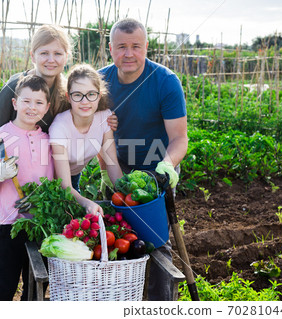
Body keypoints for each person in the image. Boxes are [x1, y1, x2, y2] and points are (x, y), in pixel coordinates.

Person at [0, 25, 117, 299]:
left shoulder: (66, 92)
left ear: (67, 56)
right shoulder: (17, 88)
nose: (50, 59)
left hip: (40, 183)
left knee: (38, 251)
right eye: (44, 53)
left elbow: (84, 111)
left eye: (57, 53)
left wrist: (106, 119)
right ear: (33, 54)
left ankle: (32, 297)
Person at [99, 18, 188, 301]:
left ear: (146, 47)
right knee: (116, 236)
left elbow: (179, 138)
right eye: (121, 47)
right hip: (117, 164)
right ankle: (120, 298)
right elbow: (86, 128)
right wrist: (106, 170)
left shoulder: (165, 82)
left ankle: (160, 303)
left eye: (136, 46)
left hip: (156, 166)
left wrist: (166, 168)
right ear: (110, 49)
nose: (128, 54)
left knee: (156, 240)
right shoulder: (99, 83)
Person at [0, 75, 54, 301]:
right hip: (10, 224)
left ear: (47, 107)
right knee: (4, 287)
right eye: (26, 101)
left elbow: (56, 181)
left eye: (39, 103)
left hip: (41, 224)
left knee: (35, 289)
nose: (32, 107)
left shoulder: (49, 140)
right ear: (14, 103)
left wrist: (40, 201)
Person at [49, 64, 123, 216]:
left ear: (99, 95)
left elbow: (112, 163)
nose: (85, 101)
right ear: (68, 97)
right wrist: (87, 202)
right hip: (50, 182)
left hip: (74, 176)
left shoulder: (104, 118)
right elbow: (64, 186)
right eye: (77, 95)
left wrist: (126, 194)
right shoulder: (59, 127)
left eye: (91, 94)